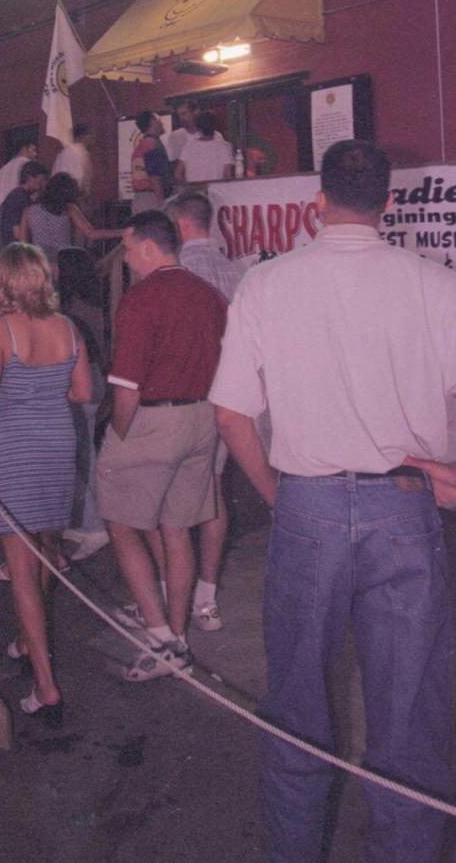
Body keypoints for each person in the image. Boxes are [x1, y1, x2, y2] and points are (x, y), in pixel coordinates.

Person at [211, 140, 456, 862]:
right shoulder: (434, 283)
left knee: (295, 711)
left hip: (308, 509)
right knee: (410, 712)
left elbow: (230, 415)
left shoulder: (268, 283)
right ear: (387, 200)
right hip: (405, 508)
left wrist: (277, 495)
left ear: (320, 200)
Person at [96, 210, 227, 681]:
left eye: (128, 249)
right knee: (177, 528)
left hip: (154, 420)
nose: (127, 259)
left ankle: (159, 636)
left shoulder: (140, 299)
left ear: (149, 247)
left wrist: (117, 434)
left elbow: (127, 388)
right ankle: (178, 636)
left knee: (120, 520)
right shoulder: (209, 296)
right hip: (202, 418)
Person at [0, 243, 91, 724]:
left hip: (16, 451)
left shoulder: (0, 331)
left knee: (20, 569)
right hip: (58, 444)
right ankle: (26, 641)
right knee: (44, 549)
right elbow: (83, 392)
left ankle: (46, 687)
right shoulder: (67, 327)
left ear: (4, 282)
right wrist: (47, 393)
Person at [165, 190, 240, 631]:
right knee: (211, 495)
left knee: (173, 505)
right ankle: (206, 598)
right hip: (225, 395)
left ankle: (171, 599)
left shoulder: (178, 272)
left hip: (185, 397)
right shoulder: (234, 271)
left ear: (178, 224)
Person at [57, 247, 109, 562]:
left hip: (80, 381)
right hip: (94, 377)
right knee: (85, 452)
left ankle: (93, 526)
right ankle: (84, 520)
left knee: (83, 456)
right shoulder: (94, 303)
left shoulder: (71, 309)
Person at [18, 172, 118, 269]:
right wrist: (120, 232)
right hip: (64, 262)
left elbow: (23, 244)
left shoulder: (28, 210)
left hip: (39, 263)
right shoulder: (69, 208)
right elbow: (91, 233)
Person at [0, 140, 40, 222]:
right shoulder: (29, 165)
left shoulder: (4, 168)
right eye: (33, 150)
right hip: (23, 212)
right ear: (24, 149)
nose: (36, 154)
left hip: (5, 214)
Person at [175, 111, 234, 186]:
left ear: (198, 127)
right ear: (215, 127)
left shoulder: (189, 146)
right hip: (214, 193)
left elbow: (178, 174)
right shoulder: (224, 147)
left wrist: (187, 188)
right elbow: (227, 176)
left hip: (195, 193)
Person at [0, 161, 48, 247]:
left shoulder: (19, 195)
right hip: (16, 250)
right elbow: (17, 232)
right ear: (30, 177)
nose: (44, 183)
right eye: (42, 179)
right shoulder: (19, 198)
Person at [130, 111, 173, 211]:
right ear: (152, 121)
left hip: (139, 199)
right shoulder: (153, 145)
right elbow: (154, 175)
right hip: (152, 199)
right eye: (159, 119)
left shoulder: (140, 146)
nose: (162, 123)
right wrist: (161, 202)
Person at [52, 123, 94, 199]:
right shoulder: (75, 152)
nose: (92, 137)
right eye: (90, 134)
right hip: (69, 197)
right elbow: (76, 178)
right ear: (84, 136)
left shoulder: (68, 151)